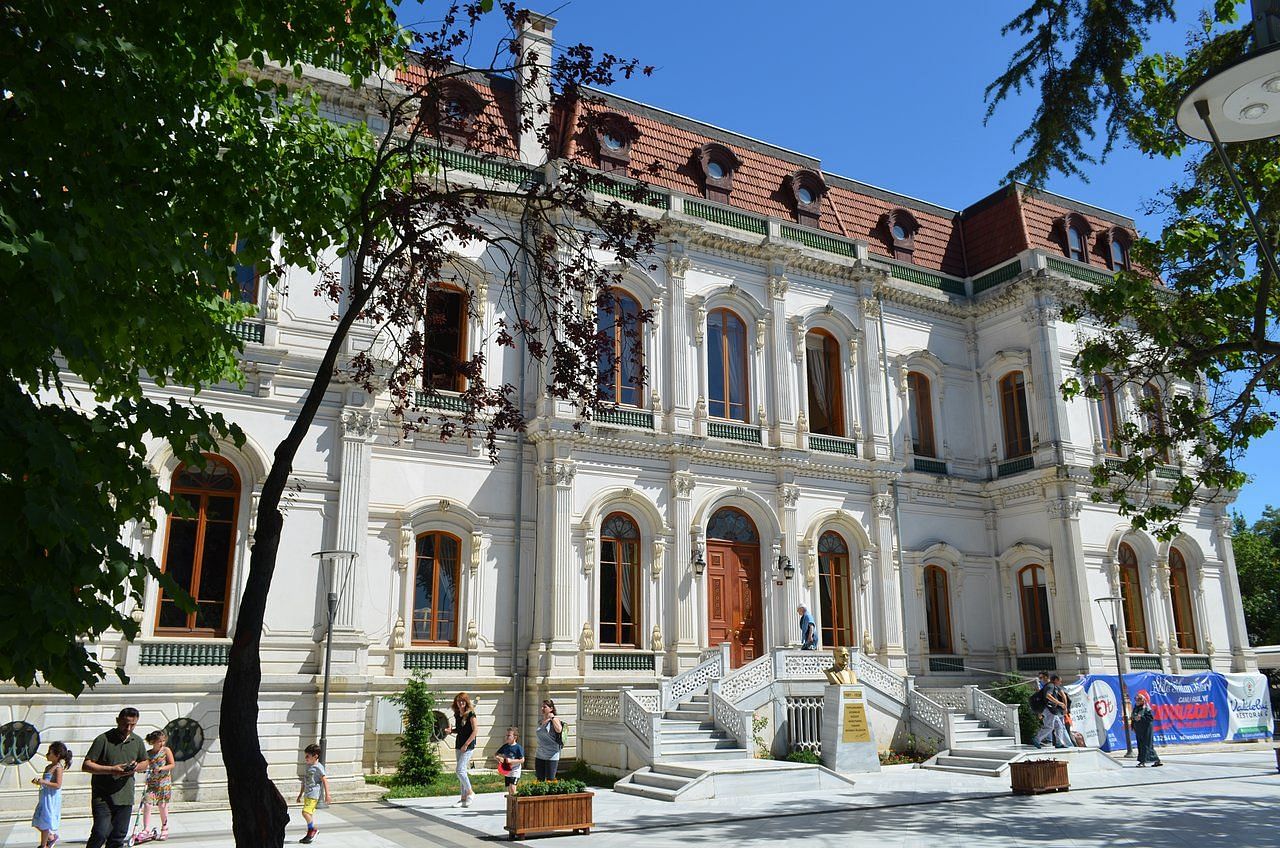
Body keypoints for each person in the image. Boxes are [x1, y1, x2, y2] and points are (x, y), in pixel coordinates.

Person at [82, 707, 149, 848]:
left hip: (125, 796)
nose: (128, 728)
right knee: (100, 833)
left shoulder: (136, 741)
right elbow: (86, 765)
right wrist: (112, 769)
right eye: (125, 723)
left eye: (133, 724)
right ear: (118, 720)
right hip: (103, 797)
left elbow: (145, 762)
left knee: (118, 838)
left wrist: (135, 767)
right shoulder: (103, 739)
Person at [32, 741, 71, 848]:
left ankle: (43, 845)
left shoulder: (58, 768)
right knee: (37, 820)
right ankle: (50, 837)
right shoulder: (49, 767)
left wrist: (43, 782)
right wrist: (39, 782)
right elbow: (46, 781)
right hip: (44, 796)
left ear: (57, 755)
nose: (47, 755)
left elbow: (58, 785)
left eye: (50, 753)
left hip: (51, 798)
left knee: (45, 821)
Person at [138, 730, 174, 841]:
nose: (162, 743)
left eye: (163, 741)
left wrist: (161, 768)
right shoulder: (148, 754)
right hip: (151, 784)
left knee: (162, 806)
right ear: (153, 742)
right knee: (147, 804)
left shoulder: (166, 750)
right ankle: (146, 829)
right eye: (159, 741)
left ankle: (164, 827)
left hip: (164, 783)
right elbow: (144, 766)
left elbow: (172, 764)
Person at [447, 693, 478, 808]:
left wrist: (466, 744)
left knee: (459, 770)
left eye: (463, 701)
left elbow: (475, 731)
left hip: (467, 745)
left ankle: (470, 792)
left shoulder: (471, 714)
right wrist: (451, 731)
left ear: (466, 702)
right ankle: (463, 798)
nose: (461, 703)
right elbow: (460, 730)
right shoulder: (457, 714)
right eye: (459, 701)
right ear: (456, 703)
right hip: (459, 744)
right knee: (462, 772)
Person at [295, 743, 330, 843]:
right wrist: (300, 794)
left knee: (305, 812)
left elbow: (325, 780)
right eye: (305, 756)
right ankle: (310, 833)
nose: (306, 758)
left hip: (313, 795)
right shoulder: (308, 766)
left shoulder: (318, 767)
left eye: (308, 756)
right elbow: (304, 781)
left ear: (315, 756)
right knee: (308, 814)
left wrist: (328, 794)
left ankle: (313, 830)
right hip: (307, 794)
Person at [1032, 675, 1069, 749]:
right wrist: (1059, 703)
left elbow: (1063, 695)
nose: (1061, 683)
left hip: (1052, 709)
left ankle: (1059, 743)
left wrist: (1064, 706)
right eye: (1060, 681)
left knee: (1059, 726)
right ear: (1055, 680)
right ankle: (1037, 739)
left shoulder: (1055, 687)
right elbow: (1048, 696)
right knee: (1049, 726)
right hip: (1048, 709)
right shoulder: (1050, 686)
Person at [534, 699, 565, 781]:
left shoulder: (555, 719)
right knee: (539, 779)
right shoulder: (541, 721)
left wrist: (553, 718)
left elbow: (559, 730)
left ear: (551, 708)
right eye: (541, 707)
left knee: (550, 780)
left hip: (551, 754)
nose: (542, 709)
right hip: (540, 754)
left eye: (545, 707)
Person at [1132, 692, 1164, 767]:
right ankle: (1157, 760)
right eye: (1136, 700)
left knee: (1146, 745)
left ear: (1143, 700)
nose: (1137, 701)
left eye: (1139, 700)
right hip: (1139, 730)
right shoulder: (1136, 708)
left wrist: (1141, 718)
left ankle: (1143, 761)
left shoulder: (1146, 708)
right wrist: (1133, 725)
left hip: (1146, 730)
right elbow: (1133, 717)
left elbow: (1150, 719)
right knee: (1143, 745)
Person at [495, 727, 525, 796]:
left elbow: (522, 760)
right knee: (509, 789)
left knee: (512, 788)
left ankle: (517, 803)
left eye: (509, 735)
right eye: (506, 735)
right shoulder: (505, 746)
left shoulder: (518, 748)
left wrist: (511, 761)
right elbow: (495, 755)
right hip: (507, 769)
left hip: (515, 770)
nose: (506, 737)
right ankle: (511, 805)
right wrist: (498, 758)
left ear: (515, 737)